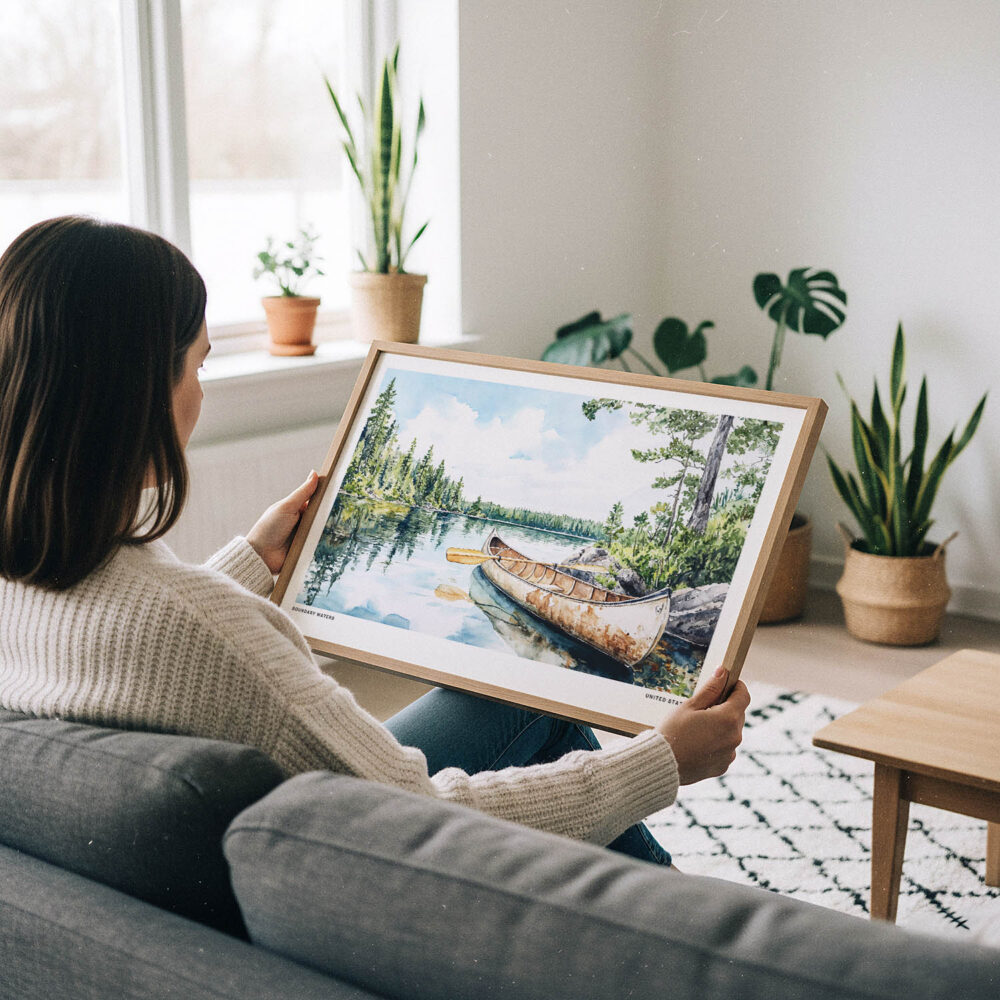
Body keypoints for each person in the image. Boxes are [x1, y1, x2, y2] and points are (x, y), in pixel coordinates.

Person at [0, 216, 749, 866]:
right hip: (358, 859)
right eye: (198, 365)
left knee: (508, 697)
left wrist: (249, 564)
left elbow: (141, 637)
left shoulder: (28, 580)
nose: (202, 392)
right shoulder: (207, 629)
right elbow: (418, 816)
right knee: (546, 717)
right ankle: (691, 932)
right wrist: (660, 762)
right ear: (135, 394)